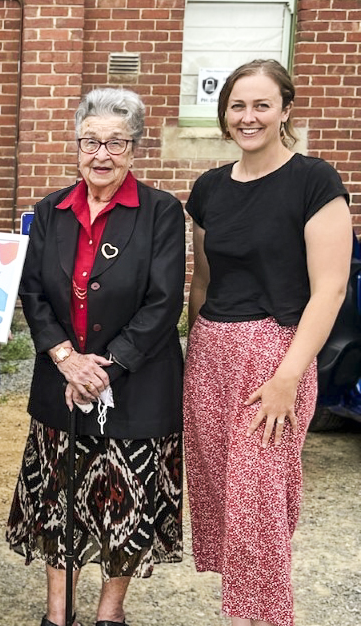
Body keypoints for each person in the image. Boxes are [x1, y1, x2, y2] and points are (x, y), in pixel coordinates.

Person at [6, 88, 186, 626]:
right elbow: (32, 292)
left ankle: (110, 613)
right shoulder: (50, 210)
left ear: (134, 149)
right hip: (60, 382)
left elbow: (164, 301)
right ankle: (57, 614)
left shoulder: (161, 212)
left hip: (136, 384)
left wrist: (106, 368)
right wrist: (66, 359)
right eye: (90, 141)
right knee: (58, 500)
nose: (101, 154)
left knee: (125, 505)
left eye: (115, 142)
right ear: (77, 145)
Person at [184, 60, 353, 626]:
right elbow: (202, 281)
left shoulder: (314, 181)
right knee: (224, 501)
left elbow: (330, 290)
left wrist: (288, 377)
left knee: (260, 504)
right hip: (210, 353)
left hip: (275, 354)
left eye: (261, 105)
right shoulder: (209, 188)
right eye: (238, 105)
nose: (248, 117)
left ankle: (269, 618)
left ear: (285, 110)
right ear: (224, 113)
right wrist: (190, 355)